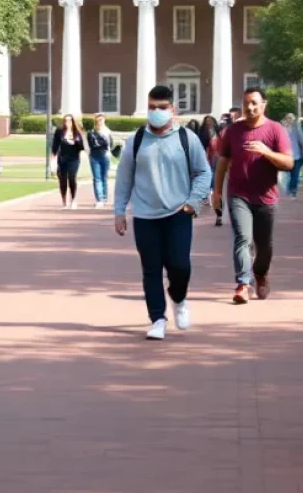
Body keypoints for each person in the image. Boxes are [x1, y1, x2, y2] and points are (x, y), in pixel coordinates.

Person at [114, 85, 212, 339]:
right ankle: (157, 318)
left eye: (162, 107)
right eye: (152, 107)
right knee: (151, 269)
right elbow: (124, 178)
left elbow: (203, 172)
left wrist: (193, 202)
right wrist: (119, 211)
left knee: (180, 266)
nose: (156, 112)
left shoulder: (186, 138)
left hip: (178, 212)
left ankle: (179, 298)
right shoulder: (136, 141)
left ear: (172, 109)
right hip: (145, 216)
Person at [212, 87, 293, 304]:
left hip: (266, 196)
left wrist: (266, 151)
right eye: (246, 102)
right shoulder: (233, 131)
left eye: (254, 103)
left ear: (263, 105)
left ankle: (260, 274)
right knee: (243, 239)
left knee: (264, 245)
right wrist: (217, 191)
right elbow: (222, 162)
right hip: (239, 194)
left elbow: (289, 163)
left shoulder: (275, 130)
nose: (249, 107)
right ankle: (243, 284)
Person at [51, 114, 86, 209]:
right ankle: (64, 201)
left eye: (70, 120)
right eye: (66, 120)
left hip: (74, 159)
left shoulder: (76, 132)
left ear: (73, 122)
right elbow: (55, 145)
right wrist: (53, 158)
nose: (67, 122)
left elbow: (81, 147)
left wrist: (75, 141)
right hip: (62, 158)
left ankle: (73, 199)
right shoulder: (59, 132)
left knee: (72, 177)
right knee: (62, 180)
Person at [199, 116, 224, 226]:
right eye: (207, 123)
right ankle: (206, 198)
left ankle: (219, 214)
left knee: (217, 190)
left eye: (210, 122)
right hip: (207, 163)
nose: (209, 125)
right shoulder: (202, 135)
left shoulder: (220, 134)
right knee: (209, 186)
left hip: (218, 163)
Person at [86, 115, 114, 207]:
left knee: (104, 177)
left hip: (105, 155)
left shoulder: (107, 132)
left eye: (101, 120)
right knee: (97, 178)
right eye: (98, 120)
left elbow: (111, 144)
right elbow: (89, 145)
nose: (100, 122)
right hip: (94, 156)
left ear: (104, 121)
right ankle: (99, 199)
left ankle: (104, 197)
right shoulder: (91, 132)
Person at [283, 114, 303, 198]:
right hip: (295, 155)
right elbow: (301, 139)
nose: (290, 120)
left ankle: (290, 189)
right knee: (294, 174)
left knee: (289, 174)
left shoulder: (283, 128)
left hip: (287, 155)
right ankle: (292, 190)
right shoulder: (296, 128)